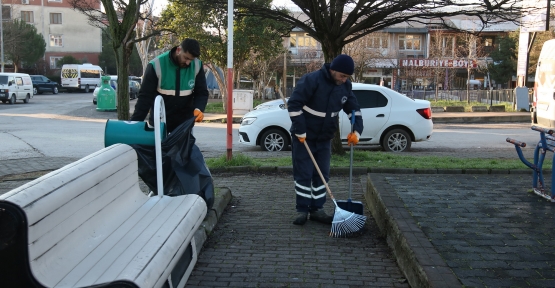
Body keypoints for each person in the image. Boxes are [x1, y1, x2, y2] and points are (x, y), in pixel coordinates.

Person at [288, 54, 364, 225]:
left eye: (347, 77)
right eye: (342, 76)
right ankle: (302, 210)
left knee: (322, 175)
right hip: (304, 138)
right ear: (333, 70)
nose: (344, 80)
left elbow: (354, 110)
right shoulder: (312, 80)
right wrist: (300, 130)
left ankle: (317, 209)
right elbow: (294, 105)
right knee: (304, 173)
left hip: (324, 138)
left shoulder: (345, 86)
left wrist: (357, 131)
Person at [130, 38, 209, 133]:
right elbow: (145, 97)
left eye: (191, 60)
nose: (188, 63)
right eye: (186, 58)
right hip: (159, 123)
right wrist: (134, 125)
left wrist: (198, 108)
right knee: (157, 148)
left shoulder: (197, 65)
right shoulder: (156, 65)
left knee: (186, 148)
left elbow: (201, 92)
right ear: (178, 50)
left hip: (183, 124)